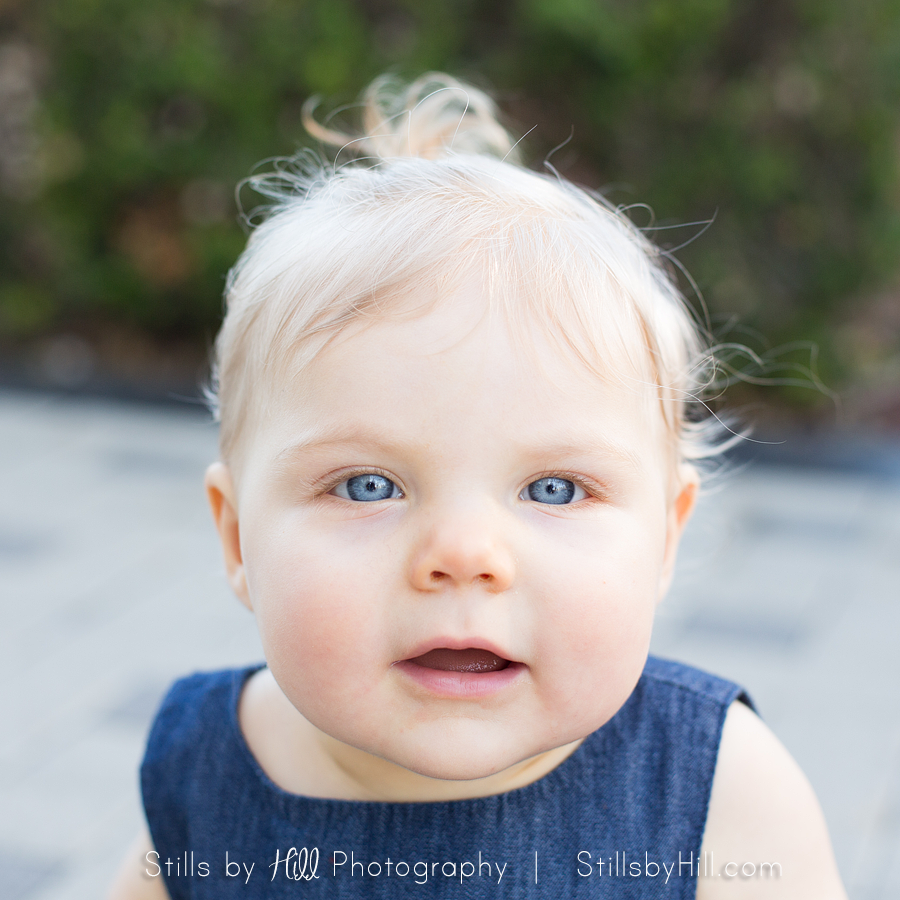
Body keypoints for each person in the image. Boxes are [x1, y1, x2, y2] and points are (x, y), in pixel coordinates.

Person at [109, 73, 847, 899]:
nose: (462, 555)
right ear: (238, 538)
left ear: (665, 538)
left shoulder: (720, 791)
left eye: (555, 490)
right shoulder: (202, 767)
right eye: (365, 486)